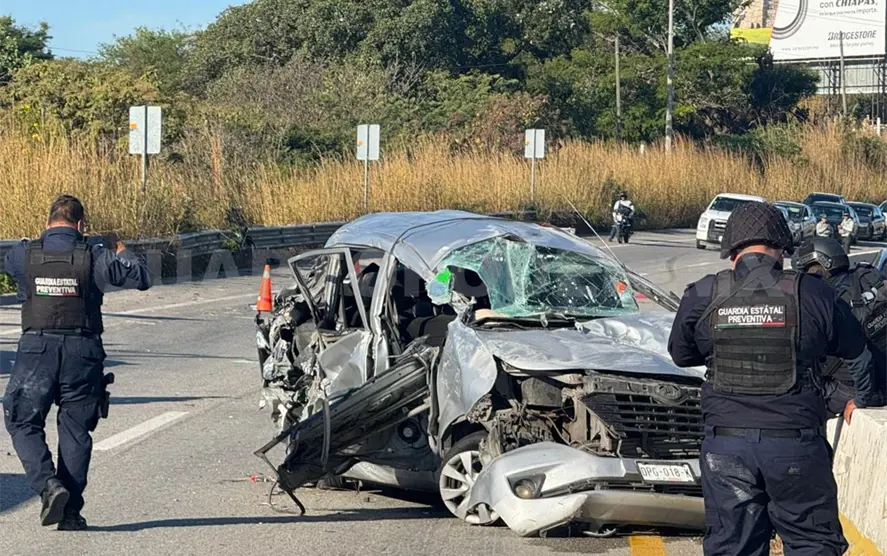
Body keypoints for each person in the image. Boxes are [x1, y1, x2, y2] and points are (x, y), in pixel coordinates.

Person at [667, 201, 879, 555]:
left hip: (726, 450)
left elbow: (681, 354)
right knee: (812, 544)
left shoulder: (703, 293)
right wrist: (860, 398)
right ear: (782, 249)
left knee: (732, 548)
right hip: (796, 446)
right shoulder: (813, 292)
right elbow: (859, 353)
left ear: (732, 250)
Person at [2, 195, 152, 531]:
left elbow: (12, 266)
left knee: (22, 421)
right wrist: (120, 249)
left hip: (37, 351)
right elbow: (142, 278)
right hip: (82, 353)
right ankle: (70, 513)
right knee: (75, 430)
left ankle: (48, 486)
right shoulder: (95, 256)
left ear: (47, 221)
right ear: (82, 225)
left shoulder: (24, 254)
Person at [794, 237, 887, 413]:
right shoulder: (869, 278)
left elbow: (861, 358)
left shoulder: (828, 299)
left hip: (858, 389)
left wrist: (861, 399)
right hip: (881, 378)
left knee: (798, 397)